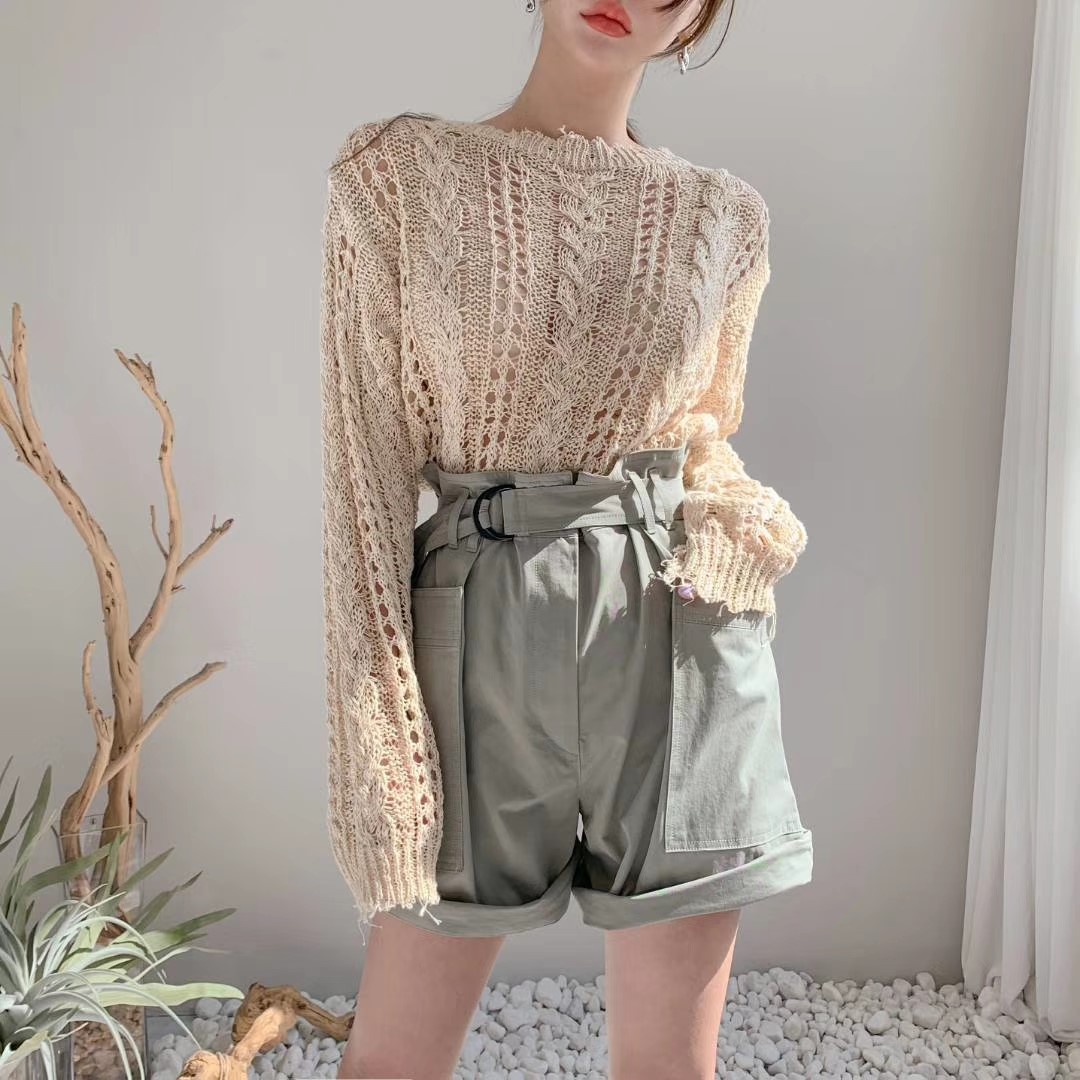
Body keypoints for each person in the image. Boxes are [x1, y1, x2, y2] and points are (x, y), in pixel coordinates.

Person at [319, 2, 813, 1076]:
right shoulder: (398, 176)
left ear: (695, 20)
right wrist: (376, 739)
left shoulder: (725, 218)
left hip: (680, 636)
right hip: (475, 640)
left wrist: (742, 519)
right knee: (392, 1062)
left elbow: (702, 435)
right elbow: (362, 474)